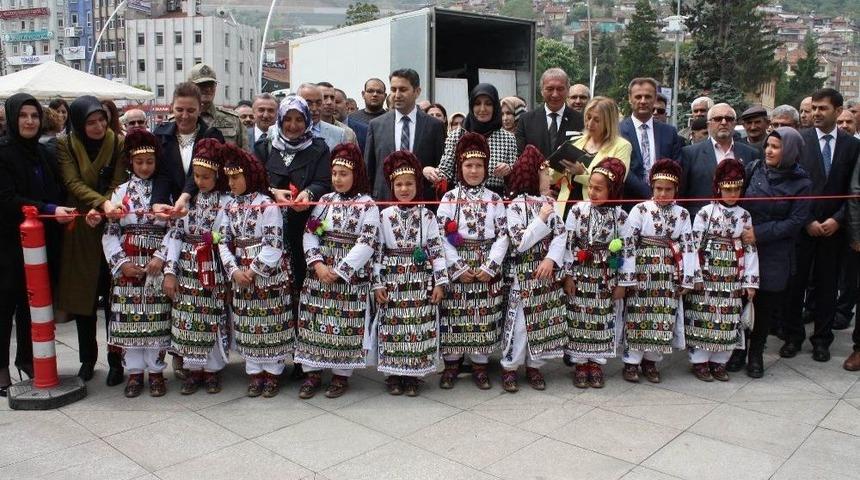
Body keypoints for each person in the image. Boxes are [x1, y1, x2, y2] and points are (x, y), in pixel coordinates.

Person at [0, 93, 73, 396]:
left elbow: (56, 189)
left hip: (42, 242)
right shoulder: (3, 152)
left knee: (33, 305)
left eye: (34, 115)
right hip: (8, 243)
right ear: (12, 118)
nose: (29, 121)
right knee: (5, 305)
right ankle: (1, 370)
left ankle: (28, 360)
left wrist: (65, 210)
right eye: (23, 116)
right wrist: (49, 209)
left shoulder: (43, 152)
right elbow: (7, 199)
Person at [295, 143, 379, 400]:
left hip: (349, 276)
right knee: (315, 321)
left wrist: (341, 270)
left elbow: (367, 242)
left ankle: (341, 375)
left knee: (345, 322)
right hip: (320, 272)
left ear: (356, 174)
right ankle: (312, 372)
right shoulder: (325, 201)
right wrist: (318, 265)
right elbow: (310, 233)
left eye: (344, 174)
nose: (338, 179)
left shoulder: (368, 204)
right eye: (334, 173)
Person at [782, 88, 860, 363]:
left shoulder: (852, 146)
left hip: (834, 230)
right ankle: (793, 337)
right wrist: (807, 220)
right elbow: (790, 185)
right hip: (803, 228)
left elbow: (853, 189)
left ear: (838, 111)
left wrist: (837, 219)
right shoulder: (800, 141)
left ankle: (822, 340)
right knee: (796, 285)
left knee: (827, 288)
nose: (816, 113)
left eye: (822, 108)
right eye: (813, 108)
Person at [56, 95, 128, 384]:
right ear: (78, 123)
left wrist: (107, 206)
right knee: (83, 296)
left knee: (114, 297)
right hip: (81, 226)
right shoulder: (66, 144)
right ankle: (87, 359)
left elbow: (119, 182)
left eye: (102, 120)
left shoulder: (118, 143)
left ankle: (116, 361)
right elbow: (72, 182)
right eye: (91, 122)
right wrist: (100, 204)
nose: (98, 127)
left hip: (112, 222)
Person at [730, 127, 811, 378]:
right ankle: (738, 350)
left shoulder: (802, 183)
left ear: (790, 151)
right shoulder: (754, 169)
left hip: (774, 251)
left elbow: (795, 222)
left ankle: (756, 352)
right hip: (744, 247)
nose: (769, 151)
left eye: (776, 147)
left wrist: (760, 233)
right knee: (740, 299)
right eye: (768, 145)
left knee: (764, 305)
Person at [219, 144, 294, 398]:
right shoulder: (229, 206)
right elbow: (222, 240)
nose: (231, 183)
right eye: (228, 178)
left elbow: (274, 244)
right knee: (247, 320)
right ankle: (254, 372)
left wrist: (251, 272)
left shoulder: (267, 205)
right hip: (240, 269)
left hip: (267, 273)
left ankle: (272, 373)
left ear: (249, 176)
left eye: (236, 177)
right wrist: (233, 270)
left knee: (270, 321)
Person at [101, 130, 172, 398]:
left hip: (154, 264)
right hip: (128, 264)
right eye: (139, 162)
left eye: (150, 162)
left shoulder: (164, 191)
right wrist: (121, 264)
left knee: (156, 318)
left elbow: (174, 229)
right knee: (130, 320)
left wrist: (160, 257)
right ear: (130, 162)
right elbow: (110, 232)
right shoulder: (120, 192)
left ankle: (155, 372)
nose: (144, 167)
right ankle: (133, 373)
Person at [436, 132, 509, 390]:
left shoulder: (495, 199)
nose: (474, 170)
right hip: (458, 262)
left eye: (479, 165)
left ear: (486, 168)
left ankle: (480, 365)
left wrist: (491, 266)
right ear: (460, 167)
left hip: (486, 261)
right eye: (469, 165)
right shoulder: (449, 198)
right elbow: (441, 234)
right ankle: (452, 364)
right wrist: (457, 267)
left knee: (482, 315)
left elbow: (503, 234)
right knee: (455, 315)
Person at [373, 150, 448, 397]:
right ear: (391, 187)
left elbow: (436, 249)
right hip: (392, 280)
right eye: (399, 185)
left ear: (417, 185)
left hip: (420, 280)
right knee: (393, 326)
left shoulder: (427, 215)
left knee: (417, 326)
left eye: (409, 184)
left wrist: (440, 282)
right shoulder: (384, 215)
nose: (404, 189)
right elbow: (378, 251)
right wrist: (377, 283)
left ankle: (414, 374)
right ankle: (393, 374)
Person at [619, 159, 699, 383]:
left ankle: (651, 362)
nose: (663, 194)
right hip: (642, 272)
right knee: (638, 314)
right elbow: (628, 243)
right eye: (658, 189)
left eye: (668, 189)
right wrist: (628, 277)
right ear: (652, 188)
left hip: (668, 273)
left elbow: (688, 246)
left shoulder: (682, 214)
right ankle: (631, 362)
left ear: (676, 190)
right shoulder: (640, 209)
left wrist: (687, 278)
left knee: (663, 315)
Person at [162, 139, 230, 395]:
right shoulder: (187, 202)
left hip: (213, 266)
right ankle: (193, 369)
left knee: (212, 316)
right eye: (197, 176)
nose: (200, 181)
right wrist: (170, 272)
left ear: (218, 176)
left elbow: (226, 238)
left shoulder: (227, 202)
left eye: (206, 177)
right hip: (187, 268)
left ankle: (212, 370)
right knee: (188, 318)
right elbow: (175, 235)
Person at [500, 146, 567, 393]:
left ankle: (535, 365)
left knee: (542, 319)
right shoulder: (515, 206)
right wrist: (540, 219)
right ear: (532, 174)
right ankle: (510, 366)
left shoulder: (549, 202)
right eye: (545, 173)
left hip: (544, 273)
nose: (549, 177)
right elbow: (519, 241)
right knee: (519, 324)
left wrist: (551, 259)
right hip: (522, 275)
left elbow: (561, 234)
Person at [685, 158, 759, 382]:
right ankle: (700, 362)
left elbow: (750, 249)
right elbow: (693, 246)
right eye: (728, 189)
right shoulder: (705, 213)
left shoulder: (744, 215)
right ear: (718, 188)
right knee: (703, 314)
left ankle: (719, 362)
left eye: (736, 189)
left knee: (727, 318)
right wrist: (695, 276)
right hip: (707, 274)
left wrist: (750, 282)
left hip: (732, 276)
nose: (732, 194)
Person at [562, 157, 631, 388]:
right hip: (580, 276)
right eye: (591, 186)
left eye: (599, 189)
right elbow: (568, 244)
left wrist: (622, 283)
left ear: (612, 189)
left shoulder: (621, 216)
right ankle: (580, 363)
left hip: (606, 278)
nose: (592, 192)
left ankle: (596, 363)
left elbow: (628, 250)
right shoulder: (577, 210)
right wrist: (568, 276)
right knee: (579, 317)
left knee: (603, 317)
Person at [265, 95, 332, 296]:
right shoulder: (265, 146)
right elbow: (254, 182)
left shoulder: (318, 148)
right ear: (280, 120)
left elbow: (324, 182)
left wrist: (308, 193)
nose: (293, 126)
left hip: (304, 222)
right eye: (287, 119)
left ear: (307, 120)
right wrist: (273, 192)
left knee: (303, 275)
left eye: (299, 119)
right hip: (271, 225)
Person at [151, 82, 225, 248]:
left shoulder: (212, 136)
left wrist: (185, 197)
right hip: (173, 215)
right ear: (172, 107)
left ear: (200, 109)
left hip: (206, 214)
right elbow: (161, 174)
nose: (184, 116)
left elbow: (201, 173)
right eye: (179, 110)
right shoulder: (161, 135)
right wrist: (157, 202)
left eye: (191, 110)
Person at [365, 68, 446, 201]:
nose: (397, 95)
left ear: (417, 92)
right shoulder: (376, 125)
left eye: (403, 89)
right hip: (384, 201)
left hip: (422, 201)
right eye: (393, 89)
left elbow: (441, 167)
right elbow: (369, 170)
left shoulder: (434, 126)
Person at [427, 83, 518, 195]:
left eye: (488, 104)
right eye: (477, 103)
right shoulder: (457, 135)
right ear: (471, 106)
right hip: (461, 199)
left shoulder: (508, 138)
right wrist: (430, 172)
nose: (482, 109)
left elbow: (515, 175)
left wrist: (508, 169)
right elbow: (445, 172)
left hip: (495, 200)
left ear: (495, 107)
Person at [679, 103, 759, 217]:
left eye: (729, 119)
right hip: (700, 222)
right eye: (717, 119)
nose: (724, 122)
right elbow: (681, 193)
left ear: (734, 123)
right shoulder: (689, 153)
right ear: (708, 124)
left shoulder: (751, 153)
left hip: (740, 222)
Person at [619, 78, 684, 201]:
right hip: (628, 201)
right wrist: (648, 193)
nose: (643, 101)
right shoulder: (618, 131)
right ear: (630, 99)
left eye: (648, 97)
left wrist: (660, 191)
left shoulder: (669, 132)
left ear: (654, 98)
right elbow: (621, 168)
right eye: (638, 97)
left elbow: (676, 165)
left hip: (663, 200)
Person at [559, 97, 632, 206]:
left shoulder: (622, 146)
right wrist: (556, 162)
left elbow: (614, 182)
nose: (590, 123)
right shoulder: (575, 141)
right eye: (588, 118)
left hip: (598, 208)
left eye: (596, 120)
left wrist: (582, 173)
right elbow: (553, 178)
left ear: (609, 122)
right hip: (565, 205)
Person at [515, 68, 584, 156]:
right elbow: (520, 155)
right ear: (541, 91)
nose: (555, 94)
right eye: (550, 89)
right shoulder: (526, 120)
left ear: (568, 90)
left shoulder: (581, 120)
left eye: (560, 89)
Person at [188, 63, 250, 152]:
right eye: (202, 85)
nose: (208, 89)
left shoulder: (233, 119)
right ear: (190, 87)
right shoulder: (180, 120)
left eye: (211, 85)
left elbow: (245, 155)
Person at [297, 83, 348, 151]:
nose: (314, 108)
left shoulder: (339, 134)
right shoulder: (287, 131)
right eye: (308, 103)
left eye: (318, 103)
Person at [347, 78, 387, 152]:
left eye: (379, 92)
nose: (375, 94)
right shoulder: (351, 118)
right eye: (370, 91)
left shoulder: (392, 119)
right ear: (363, 94)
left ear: (385, 96)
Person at [249, 93, 279, 162]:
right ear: (253, 113)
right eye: (261, 110)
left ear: (277, 113)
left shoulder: (283, 139)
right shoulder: (243, 137)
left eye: (270, 110)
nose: (265, 115)